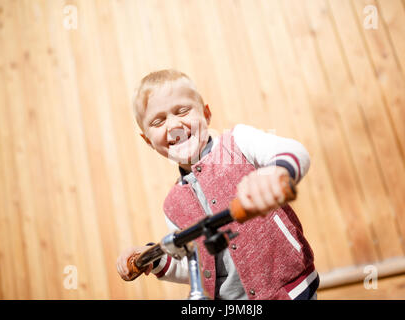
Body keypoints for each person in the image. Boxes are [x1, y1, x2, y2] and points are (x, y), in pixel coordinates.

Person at [116, 69, 319, 300]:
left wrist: (274, 175)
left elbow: (294, 151)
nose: (172, 125)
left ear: (206, 114)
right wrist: (155, 259)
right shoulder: (172, 205)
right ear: (148, 140)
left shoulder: (238, 142)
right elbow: (197, 264)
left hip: (289, 290)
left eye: (182, 111)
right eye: (158, 121)